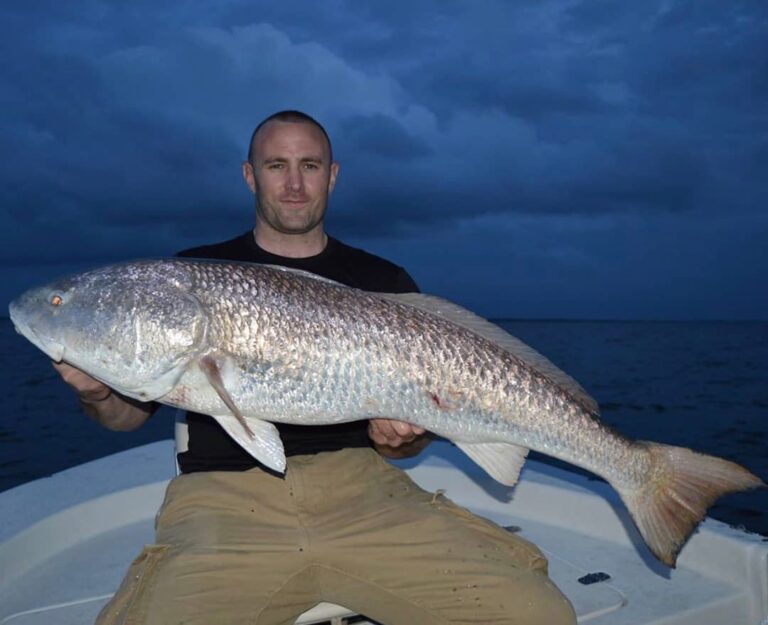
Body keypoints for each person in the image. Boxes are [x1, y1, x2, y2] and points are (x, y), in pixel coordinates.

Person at [54, 110, 576, 625]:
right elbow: (128, 415)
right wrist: (98, 394)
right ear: (249, 174)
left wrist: (403, 438)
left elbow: (415, 436)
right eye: (277, 165)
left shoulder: (381, 279)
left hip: (365, 494)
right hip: (224, 502)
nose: (295, 184)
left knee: (540, 616)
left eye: (310, 164)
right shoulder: (194, 275)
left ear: (333, 174)